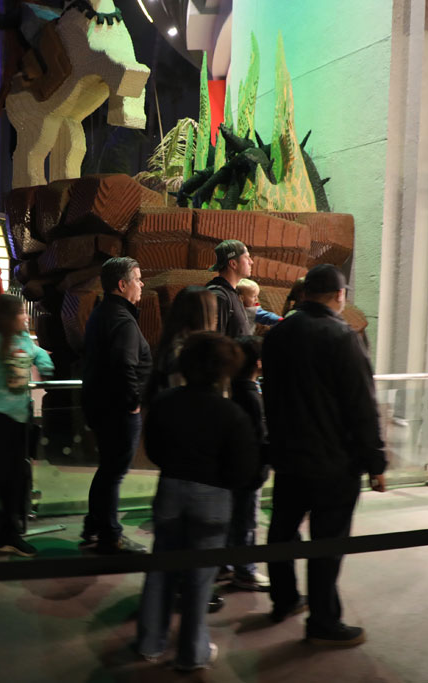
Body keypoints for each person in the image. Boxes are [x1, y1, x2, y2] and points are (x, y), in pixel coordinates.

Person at [261, 264, 387, 646]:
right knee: (327, 543)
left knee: (281, 531)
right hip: (334, 461)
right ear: (340, 295)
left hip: (287, 455)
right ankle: (323, 620)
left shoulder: (278, 333)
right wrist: (375, 461)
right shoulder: (342, 336)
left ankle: (283, 599)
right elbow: (360, 405)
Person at [135, 332, 260, 671]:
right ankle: (192, 652)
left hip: (171, 489)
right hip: (213, 498)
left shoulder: (165, 402)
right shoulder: (231, 414)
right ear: (224, 371)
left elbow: (154, 451)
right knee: (199, 578)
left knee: (161, 568)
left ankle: (150, 642)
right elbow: (243, 470)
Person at [0, 294, 54, 557]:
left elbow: (37, 354)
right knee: (6, 478)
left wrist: (46, 365)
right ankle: (4, 532)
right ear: (8, 317)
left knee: (8, 478)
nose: (25, 317)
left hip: (18, 419)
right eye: (20, 313)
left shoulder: (23, 340)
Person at [80, 257, 152, 554]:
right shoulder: (122, 320)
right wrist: (133, 403)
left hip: (102, 406)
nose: (142, 284)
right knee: (113, 472)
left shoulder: (102, 313)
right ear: (122, 285)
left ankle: (95, 524)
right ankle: (111, 535)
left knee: (107, 469)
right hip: (119, 410)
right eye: (137, 278)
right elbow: (124, 365)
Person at [223, 336, 271, 592]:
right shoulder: (251, 395)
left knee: (234, 518)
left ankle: (227, 564)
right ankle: (245, 571)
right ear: (258, 363)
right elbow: (258, 437)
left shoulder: (233, 390)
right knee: (246, 521)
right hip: (250, 471)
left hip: (233, 469)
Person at [143, 285, 217, 405]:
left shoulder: (174, 342)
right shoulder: (182, 350)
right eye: (214, 313)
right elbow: (181, 399)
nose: (216, 318)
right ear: (203, 316)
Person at [205, 240, 253, 338]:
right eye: (246, 257)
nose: (251, 262)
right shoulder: (219, 296)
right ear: (233, 264)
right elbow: (216, 342)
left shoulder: (233, 294)